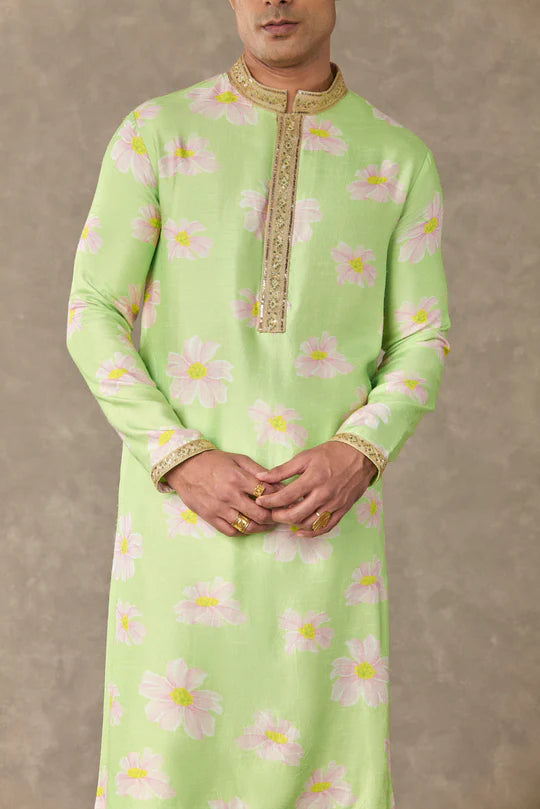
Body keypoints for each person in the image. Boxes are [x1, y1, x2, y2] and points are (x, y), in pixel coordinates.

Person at [66, 1, 451, 806]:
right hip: (182, 533)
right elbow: (93, 313)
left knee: (328, 769)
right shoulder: (158, 135)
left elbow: (423, 337)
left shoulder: (397, 159)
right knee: (166, 768)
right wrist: (180, 458)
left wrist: (359, 452)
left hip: (324, 529)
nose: (274, 0)